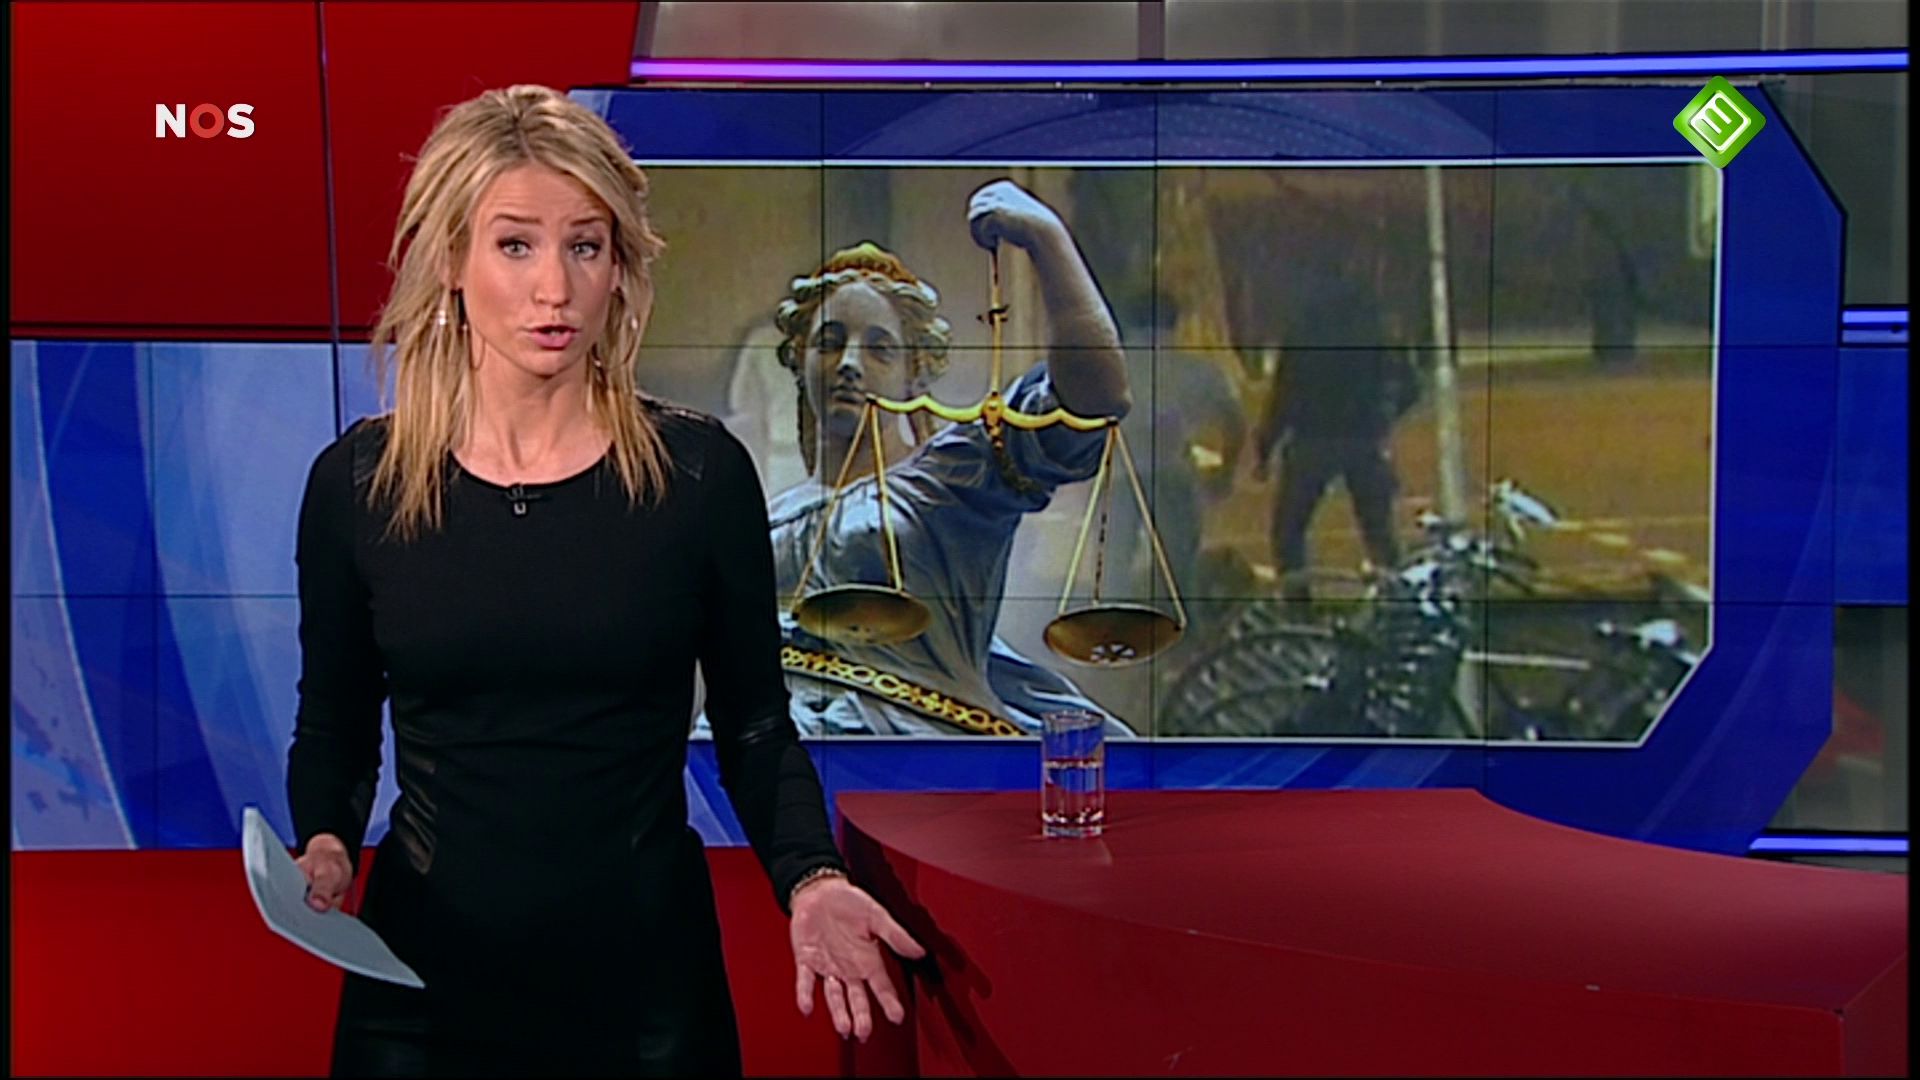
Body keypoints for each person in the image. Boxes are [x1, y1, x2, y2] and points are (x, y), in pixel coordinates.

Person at [286, 85, 923, 1078]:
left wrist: (810, 876)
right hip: (419, 992)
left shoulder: (696, 478)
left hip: (644, 999)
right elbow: (334, 719)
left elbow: (757, 727)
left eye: (585, 246)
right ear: (451, 259)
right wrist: (324, 836)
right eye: (515, 245)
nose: (555, 288)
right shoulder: (360, 485)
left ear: (619, 267)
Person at [729, 179, 1136, 738]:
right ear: (799, 363)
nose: (849, 364)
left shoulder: (953, 477)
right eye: (829, 343)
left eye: (880, 349)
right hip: (779, 752)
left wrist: (1047, 239)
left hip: (911, 750)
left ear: (913, 374)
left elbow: (1095, 397)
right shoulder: (774, 516)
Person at [1251, 254, 1417, 604]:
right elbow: (1409, 385)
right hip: (1362, 439)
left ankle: (1298, 604)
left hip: (1311, 439)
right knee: (1379, 531)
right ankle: (1398, 603)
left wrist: (1265, 448)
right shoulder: (1374, 327)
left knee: (1289, 531)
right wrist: (1382, 418)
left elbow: (1284, 394)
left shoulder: (1303, 330)